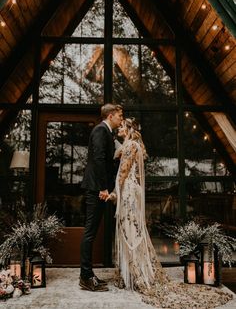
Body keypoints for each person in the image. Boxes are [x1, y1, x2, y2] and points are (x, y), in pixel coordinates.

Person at [107, 118, 232, 309]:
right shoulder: (134, 146)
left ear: (130, 129)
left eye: (122, 127)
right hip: (133, 191)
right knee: (133, 229)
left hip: (129, 193)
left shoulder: (130, 146)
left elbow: (123, 172)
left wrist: (115, 192)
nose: (119, 130)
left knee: (129, 230)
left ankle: (136, 274)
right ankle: (131, 272)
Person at [79, 103, 123, 292]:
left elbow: (105, 160)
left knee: (92, 230)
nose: (121, 119)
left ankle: (88, 274)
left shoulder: (107, 133)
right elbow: (97, 159)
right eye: (120, 116)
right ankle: (85, 277)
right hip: (96, 188)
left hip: (100, 188)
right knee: (90, 232)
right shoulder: (100, 130)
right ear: (111, 115)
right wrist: (104, 188)